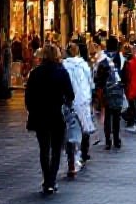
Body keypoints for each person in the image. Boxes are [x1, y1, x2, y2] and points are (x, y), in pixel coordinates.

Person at [25, 42, 74, 194]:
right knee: (56, 149)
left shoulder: (35, 73)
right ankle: (51, 180)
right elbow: (70, 95)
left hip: (40, 115)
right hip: (56, 115)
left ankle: (47, 179)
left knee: (44, 149)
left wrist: (33, 109)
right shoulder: (61, 72)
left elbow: (28, 98)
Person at [62, 42, 95, 177]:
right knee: (83, 127)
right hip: (83, 101)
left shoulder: (64, 66)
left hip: (69, 102)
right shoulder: (84, 65)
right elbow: (90, 83)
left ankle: (72, 158)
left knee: (70, 130)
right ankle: (82, 154)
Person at [93, 43, 125, 150]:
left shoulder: (102, 64)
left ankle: (108, 141)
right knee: (116, 117)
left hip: (108, 92)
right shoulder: (118, 60)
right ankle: (116, 140)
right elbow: (122, 76)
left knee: (108, 116)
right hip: (118, 91)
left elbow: (98, 80)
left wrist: (98, 93)